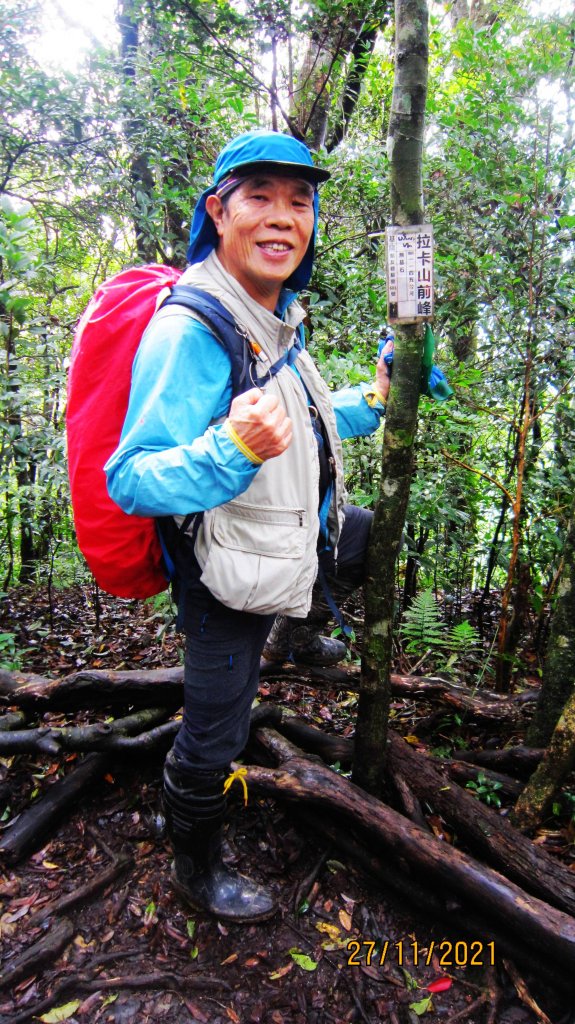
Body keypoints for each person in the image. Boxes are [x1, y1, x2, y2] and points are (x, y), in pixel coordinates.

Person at [105, 130, 391, 924]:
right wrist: (229, 451)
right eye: (259, 197)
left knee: (358, 533)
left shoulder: (272, 315)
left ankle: (295, 633)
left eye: (299, 202)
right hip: (224, 574)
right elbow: (130, 477)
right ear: (218, 212)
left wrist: (373, 397)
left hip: (286, 536)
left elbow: (300, 415)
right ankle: (194, 859)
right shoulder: (192, 328)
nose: (281, 218)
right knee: (216, 732)